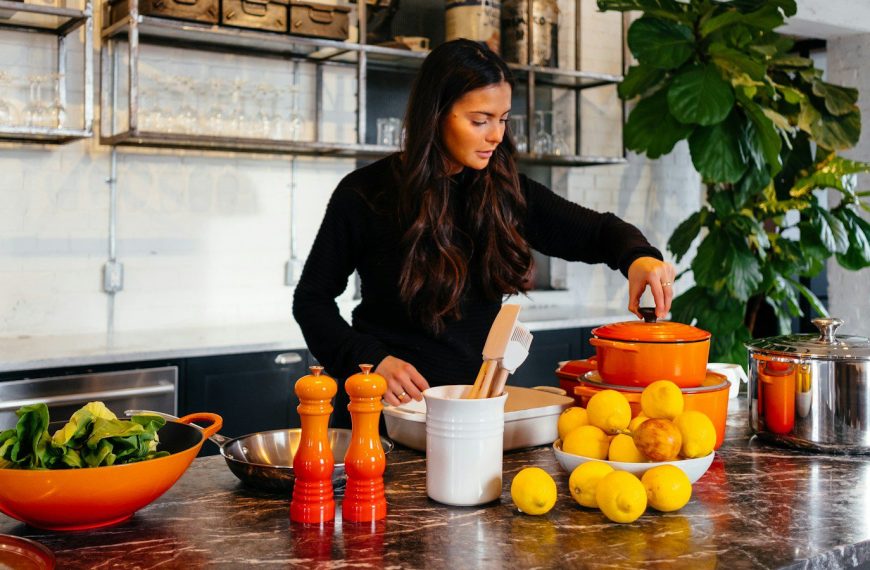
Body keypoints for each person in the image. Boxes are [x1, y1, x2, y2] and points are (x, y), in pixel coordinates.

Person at [293, 39, 676, 412]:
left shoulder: (505, 192)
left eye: (503, 120)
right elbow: (312, 301)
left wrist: (638, 258)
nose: (496, 135)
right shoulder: (365, 194)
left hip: (471, 414)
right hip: (382, 413)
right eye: (480, 120)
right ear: (436, 113)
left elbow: (599, 233)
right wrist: (372, 361)